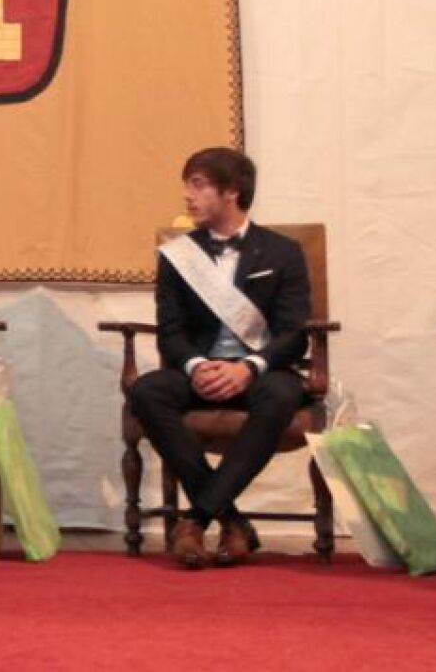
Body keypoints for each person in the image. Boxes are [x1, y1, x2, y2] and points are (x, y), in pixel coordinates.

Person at [126, 147, 313, 569]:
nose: (187, 196)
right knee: (147, 391)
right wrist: (196, 366)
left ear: (232, 191)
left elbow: (294, 334)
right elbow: (171, 332)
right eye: (187, 186)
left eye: (198, 186)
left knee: (281, 395)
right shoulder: (179, 256)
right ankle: (232, 521)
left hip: (260, 372)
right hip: (202, 369)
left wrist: (248, 367)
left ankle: (195, 519)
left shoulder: (284, 253)